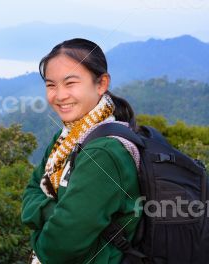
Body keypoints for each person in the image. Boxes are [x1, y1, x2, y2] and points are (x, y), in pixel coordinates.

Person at [21, 38, 142, 264]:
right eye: (51, 85)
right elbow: (29, 191)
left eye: (71, 83)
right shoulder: (67, 138)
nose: (59, 95)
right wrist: (55, 214)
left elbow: (58, 248)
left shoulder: (104, 152)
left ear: (101, 84)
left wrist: (38, 230)